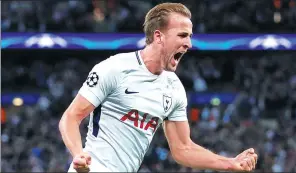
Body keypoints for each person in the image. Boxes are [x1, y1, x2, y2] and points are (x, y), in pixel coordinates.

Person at [59, 2, 258, 172]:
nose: (188, 43)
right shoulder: (114, 69)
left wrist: (229, 164)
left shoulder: (173, 88)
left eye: (189, 36)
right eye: (182, 35)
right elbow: (70, 117)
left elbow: (183, 148)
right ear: (158, 36)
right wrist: (78, 155)